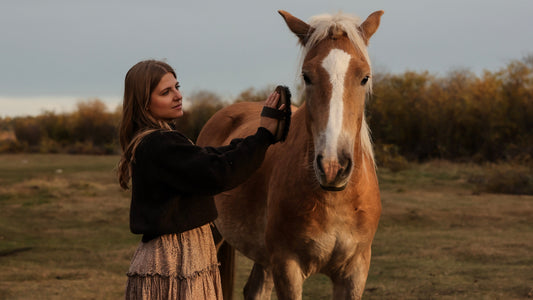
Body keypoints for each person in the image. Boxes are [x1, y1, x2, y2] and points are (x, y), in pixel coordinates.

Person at [117, 59, 287, 300]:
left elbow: (212, 155)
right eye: (166, 92)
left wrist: (260, 137)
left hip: (186, 255)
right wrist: (263, 136)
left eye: (177, 87)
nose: (178, 96)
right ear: (144, 103)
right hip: (172, 260)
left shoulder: (164, 140)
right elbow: (217, 172)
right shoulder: (158, 144)